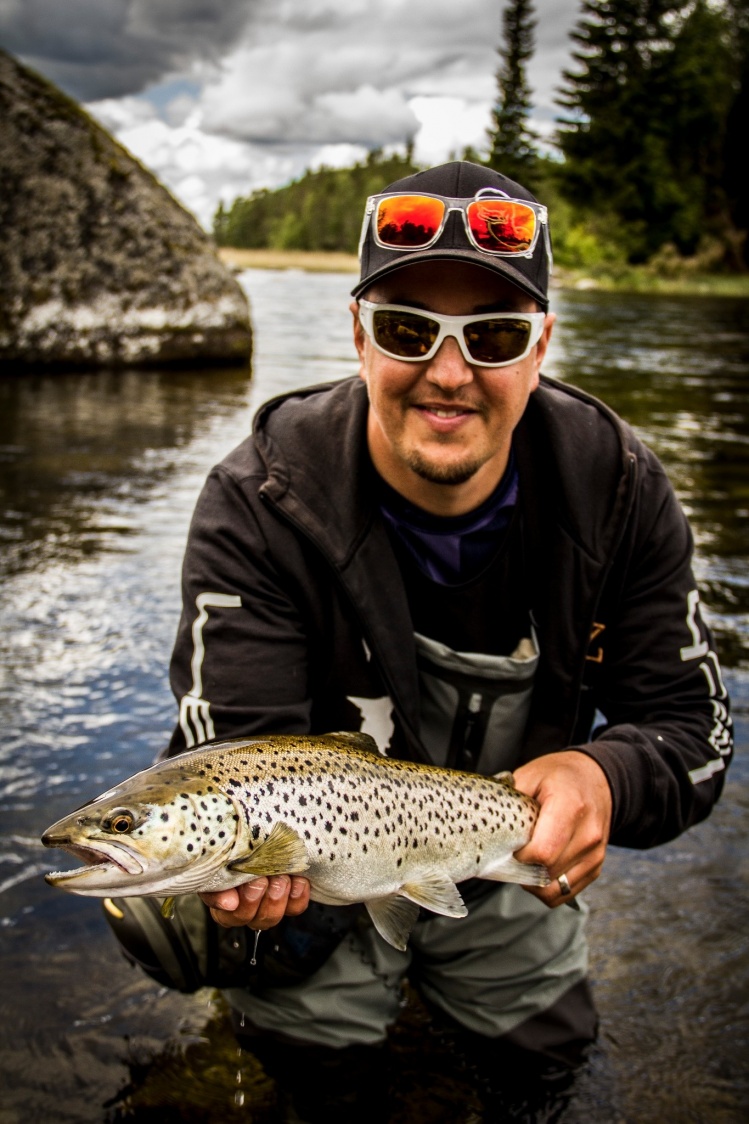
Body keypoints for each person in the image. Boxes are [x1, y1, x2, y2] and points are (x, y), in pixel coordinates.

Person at [166, 161, 732, 1119]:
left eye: (495, 335)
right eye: (405, 328)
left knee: (545, 1073)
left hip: (502, 862)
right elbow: (235, 751)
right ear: (358, 335)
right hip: (322, 883)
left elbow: (691, 730)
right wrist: (249, 880)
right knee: (283, 1052)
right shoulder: (258, 501)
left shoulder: (619, 490)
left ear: (541, 345)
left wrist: (603, 779)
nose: (448, 372)